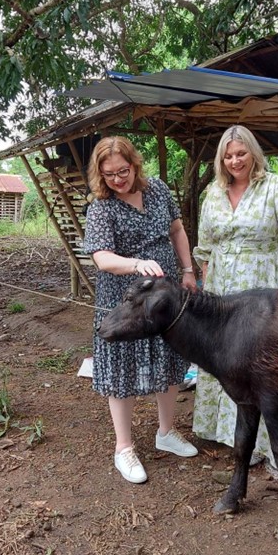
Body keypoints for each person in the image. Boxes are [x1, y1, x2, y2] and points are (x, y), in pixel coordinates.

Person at [192, 125, 278, 473]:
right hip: (223, 288)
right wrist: (207, 285)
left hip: (263, 287)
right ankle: (238, 440)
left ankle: (277, 449)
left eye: (241, 153)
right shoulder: (213, 192)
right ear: (221, 159)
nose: (235, 160)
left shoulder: (275, 188)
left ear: (253, 152)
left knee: (269, 365)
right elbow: (205, 245)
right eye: (228, 155)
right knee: (229, 361)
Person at [83, 136, 198, 483]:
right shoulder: (101, 207)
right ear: (100, 176)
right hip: (124, 298)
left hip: (166, 294)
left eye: (123, 171)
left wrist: (188, 269)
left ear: (134, 164)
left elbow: (176, 229)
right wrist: (136, 264)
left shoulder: (159, 189)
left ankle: (166, 433)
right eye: (109, 175)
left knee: (169, 357)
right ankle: (124, 448)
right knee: (123, 367)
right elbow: (102, 258)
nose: (118, 179)